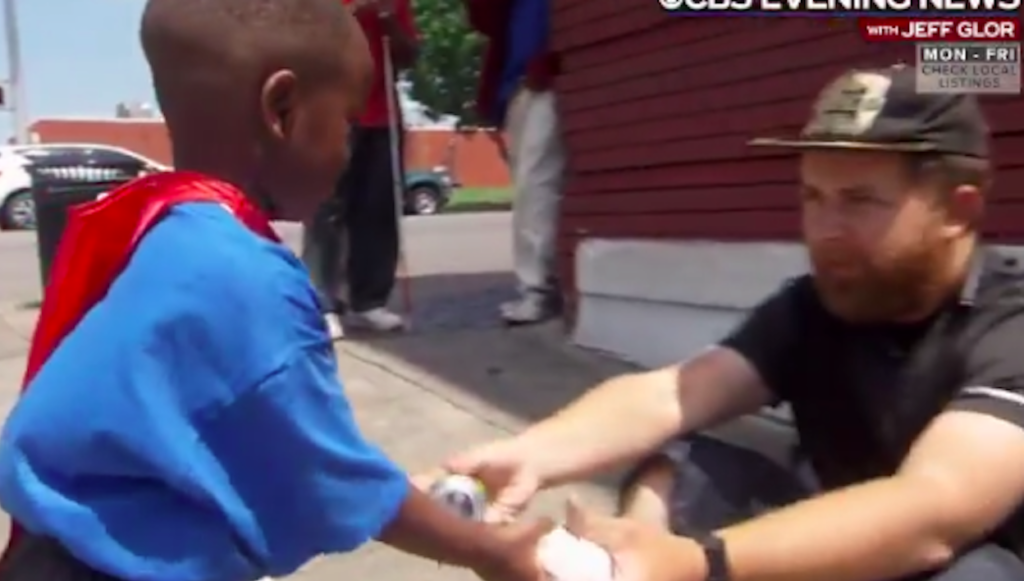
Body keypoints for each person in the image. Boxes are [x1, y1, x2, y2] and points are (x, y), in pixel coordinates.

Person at [0, 1, 552, 580]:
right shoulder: (250, 278)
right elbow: (332, 480)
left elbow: (234, 435)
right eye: (343, 122)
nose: (346, 149)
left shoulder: (165, 228)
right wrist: (488, 551)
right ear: (281, 109)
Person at [441, 65, 1024, 581]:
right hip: (846, 552)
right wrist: (531, 456)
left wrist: (703, 563)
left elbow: (933, 511)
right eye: (812, 196)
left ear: (958, 211)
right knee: (678, 466)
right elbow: (675, 393)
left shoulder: (1010, 320)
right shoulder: (822, 302)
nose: (824, 229)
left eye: (860, 201)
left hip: (959, 556)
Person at [301, 0, 418, 337]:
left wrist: (389, 20)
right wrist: (352, 15)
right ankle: (322, 304)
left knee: (378, 209)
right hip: (332, 113)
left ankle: (369, 301)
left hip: (381, 117)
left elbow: (408, 56)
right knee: (327, 210)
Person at [463, 0, 566, 325]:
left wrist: (546, 62)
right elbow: (483, 19)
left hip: (544, 79)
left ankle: (539, 289)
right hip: (517, 84)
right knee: (530, 183)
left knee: (536, 182)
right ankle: (536, 286)